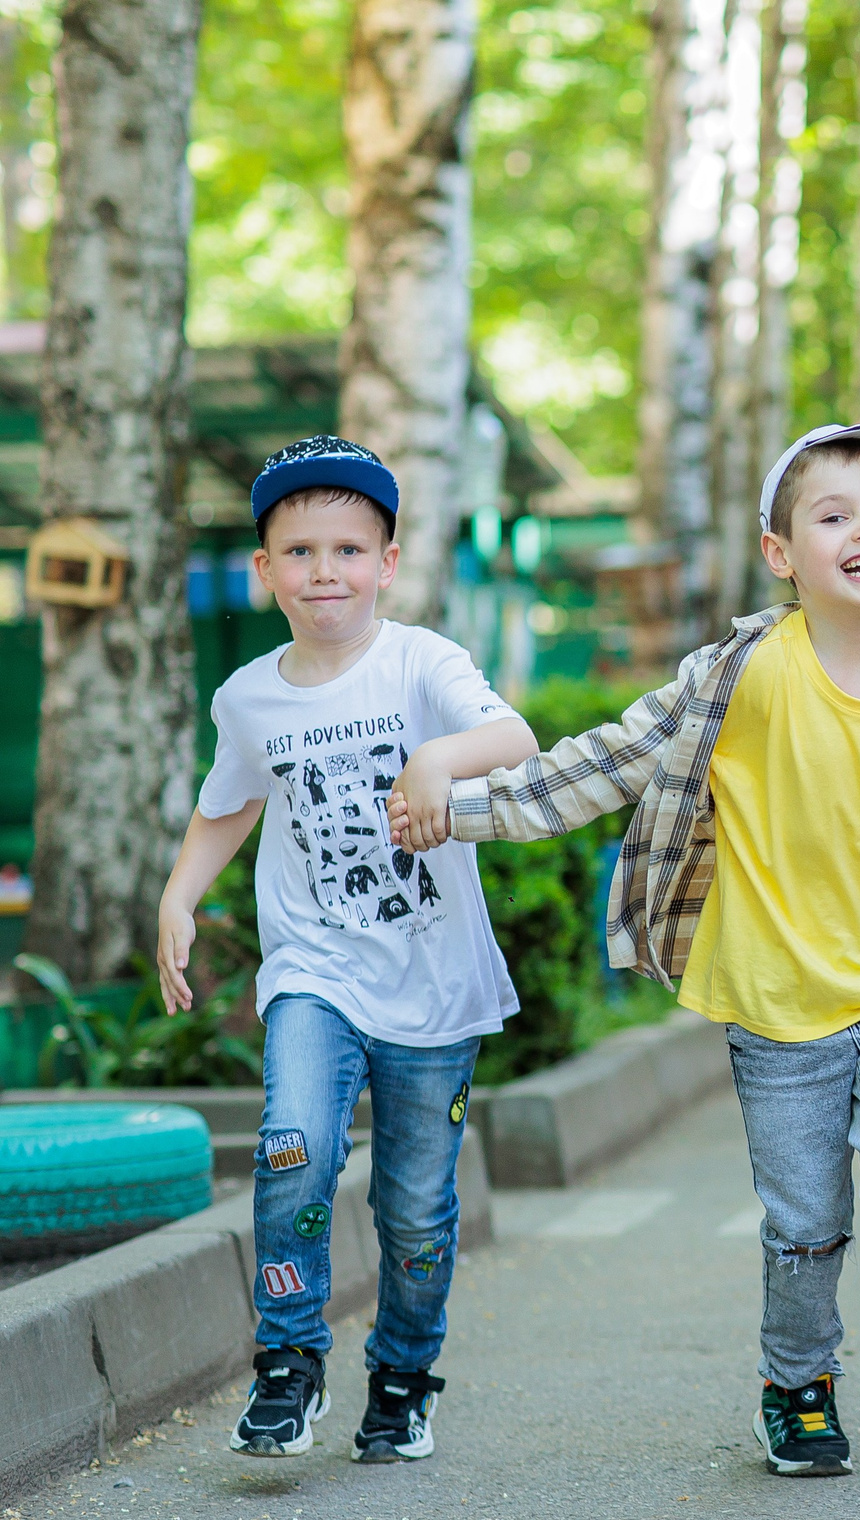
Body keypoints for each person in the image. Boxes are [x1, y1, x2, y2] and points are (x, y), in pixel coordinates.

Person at [388, 421, 860, 1478]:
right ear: (781, 554)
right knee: (803, 1223)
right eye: (835, 515)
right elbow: (604, 764)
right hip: (772, 1006)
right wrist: (458, 809)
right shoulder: (741, 676)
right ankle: (799, 1385)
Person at [153, 435, 536, 1463]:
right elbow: (229, 803)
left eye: (349, 550)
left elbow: (514, 741)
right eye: (301, 551)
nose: (326, 571)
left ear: (388, 563)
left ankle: (404, 1375)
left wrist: (436, 759)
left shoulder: (423, 663)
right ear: (264, 569)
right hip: (313, 970)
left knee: (414, 1209)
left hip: (434, 983)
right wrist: (180, 896)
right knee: (296, 1146)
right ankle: (288, 1361)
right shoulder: (249, 697)